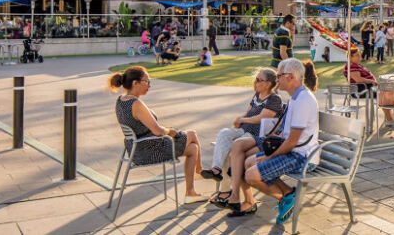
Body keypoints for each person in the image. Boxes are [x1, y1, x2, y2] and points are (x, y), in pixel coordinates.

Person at [222, 61, 317, 214]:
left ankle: (285, 198)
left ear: (290, 77)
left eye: (279, 76)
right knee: (248, 161)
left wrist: (268, 157)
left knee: (251, 175)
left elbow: (292, 142)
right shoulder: (295, 97)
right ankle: (287, 193)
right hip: (292, 150)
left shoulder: (302, 101)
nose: (277, 80)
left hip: (301, 156)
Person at [109, 66, 205, 203]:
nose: (149, 85)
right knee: (192, 134)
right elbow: (158, 131)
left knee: (193, 149)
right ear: (135, 83)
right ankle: (199, 172)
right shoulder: (135, 104)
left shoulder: (121, 100)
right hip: (149, 150)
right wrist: (170, 131)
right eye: (146, 81)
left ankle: (191, 191)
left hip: (137, 149)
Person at [203, 68, 283, 206]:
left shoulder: (274, 99)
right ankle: (215, 169)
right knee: (224, 134)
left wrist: (242, 119)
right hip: (244, 131)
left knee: (230, 152)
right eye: (256, 79)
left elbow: (261, 118)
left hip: (257, 135)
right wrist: (239, 122)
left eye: (259, 80)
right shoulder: (257, 95)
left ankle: (227, 193)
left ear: (269, 83)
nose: (255, 82)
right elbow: (249, 113)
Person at [342, 49, 394, 125]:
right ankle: (390, 119)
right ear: (350, 57)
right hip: (361, 90)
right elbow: (358, 80)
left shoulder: (356, 65)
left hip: (367, 87)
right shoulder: (351, 66)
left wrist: (373, 81)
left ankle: (390, 117)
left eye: (359, 54)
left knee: (388, 91)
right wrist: (372, 81)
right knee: (383, 94)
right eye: (357, 55)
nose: (360, 56)